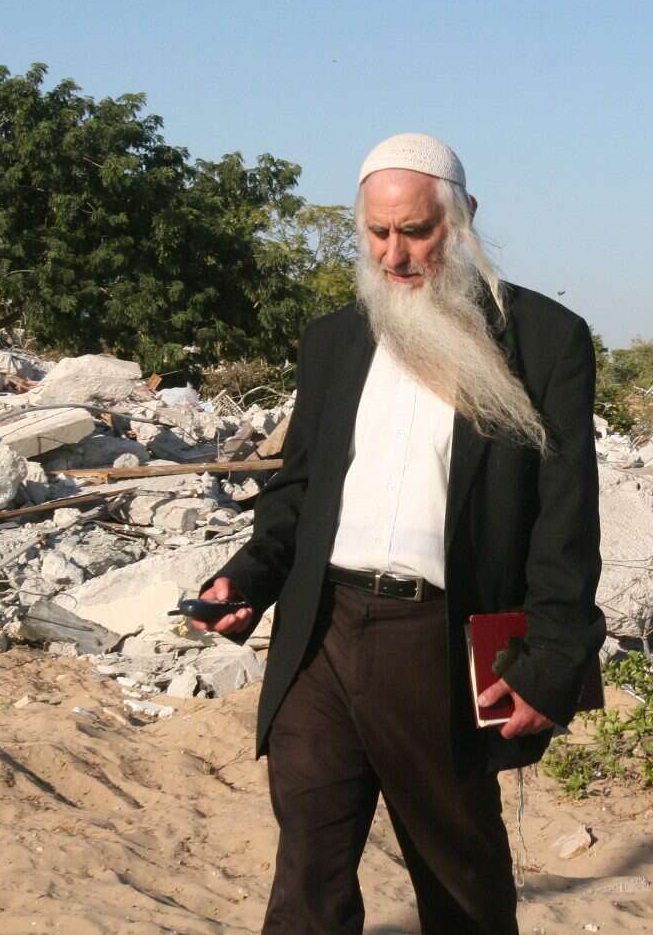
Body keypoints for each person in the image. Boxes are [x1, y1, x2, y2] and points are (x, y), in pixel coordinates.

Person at [193, 133, 604, 934]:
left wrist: (551, 661)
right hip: (320, 634)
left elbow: (565, 518)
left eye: (415, 231)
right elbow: (301, 487)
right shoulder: (334, 339)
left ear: (463, 217)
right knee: (307, 872)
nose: (394, 254)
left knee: (458, 880)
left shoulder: (544, 339)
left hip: (438, 642)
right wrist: (249, 576)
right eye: (377, 233)